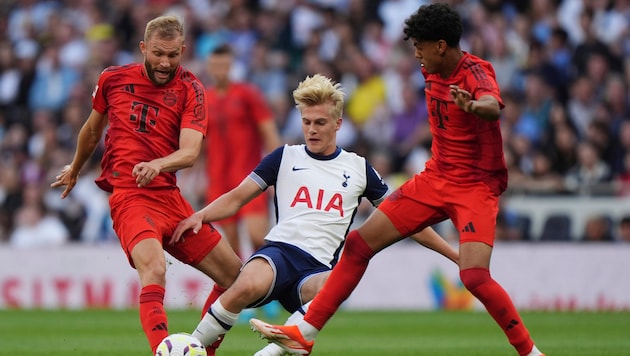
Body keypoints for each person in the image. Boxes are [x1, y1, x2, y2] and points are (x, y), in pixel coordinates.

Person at [249, 4, 545, 356]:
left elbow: (492, 104)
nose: (416, 52)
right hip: (435, 178)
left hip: (475, 187)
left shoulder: (476, 73)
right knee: (358, 245)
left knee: (474, 277)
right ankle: (304, 334)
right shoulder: (429, 68)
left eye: (420, 44)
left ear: (440, 45)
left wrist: (474, 107)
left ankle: (530, 352)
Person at [170, 74, 459, 356]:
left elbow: (406, 220)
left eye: (320, 122)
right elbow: (236, 198)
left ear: (338, 123)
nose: (312, 130)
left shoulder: (358, 168)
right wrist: (201, 216)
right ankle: (191, 348)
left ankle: (278, 349)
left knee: (336, 286)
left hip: (317, 270)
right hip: (279, 254)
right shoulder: (284, 157)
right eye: (306, 122)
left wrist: (455, 255)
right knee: (245, 284)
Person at [50, 15, 243, 355]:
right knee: (154, 268)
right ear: (143, 48)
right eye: (158, 54)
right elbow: (92, 130)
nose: (165, 63)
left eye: (173, 55)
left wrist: (158, 164)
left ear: (183, 51)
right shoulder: (113, 79)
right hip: (130, 198)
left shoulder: (191, 88)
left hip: (171, 199)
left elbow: (190, 152)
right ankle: (162, 351)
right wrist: (76, 168)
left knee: (236, 278)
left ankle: (200, 350)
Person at [204, 43, 282, 260]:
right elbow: (199, 142)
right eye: (215, 65)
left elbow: (269, 131)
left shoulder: (248, 94)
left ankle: (272, 282)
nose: (219, 70)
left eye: (223, 65)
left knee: (257, 235)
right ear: (209, 67)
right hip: (218, 180)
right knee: (231, 247)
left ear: (230, 66)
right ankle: (245, 292)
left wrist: (277, 173)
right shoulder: (205, 99)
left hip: (250, 177)